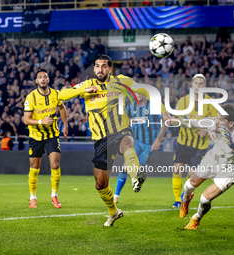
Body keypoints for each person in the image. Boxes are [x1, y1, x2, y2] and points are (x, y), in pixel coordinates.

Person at [58, 54, 169, 227]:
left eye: (104, 66)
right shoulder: (87, 85)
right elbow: (61, 95)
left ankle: (136, 174)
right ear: (94, 68)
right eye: (97, 66)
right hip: (100, 139)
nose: (100, 69)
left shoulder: (121, 81)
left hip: (120, 130)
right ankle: (114, 212)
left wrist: (163, 112)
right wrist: (81, 91)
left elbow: (147, 91)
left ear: (110, 68)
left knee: (126, 144)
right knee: (100, 184)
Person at [178, 104, 234, 230]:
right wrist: (185, 121)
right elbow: (193, 123)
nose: (217, 121)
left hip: (232, 168)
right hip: (214, 158)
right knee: (189, 185)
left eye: (221, 120)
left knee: (205, 199)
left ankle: (196, 218)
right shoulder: (213, 122)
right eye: (217, 117)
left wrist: (232, 144)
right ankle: (185, 199)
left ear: (231, 123)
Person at [23, 68, 68, 209]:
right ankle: (33, 197)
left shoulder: (55, 94)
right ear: (36, 81)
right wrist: (41, 121)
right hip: (35, 136)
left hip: (52, 135)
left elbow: (62, 108)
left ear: (48, 79)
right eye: (40, 77)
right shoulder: (31, 97)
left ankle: (54, 195)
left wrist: (65, 125)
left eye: (45, 77)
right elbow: (26, 120)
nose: (43, 79)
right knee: (34, 168)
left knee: (55, 164)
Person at [171, 74, 217, 208]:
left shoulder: (210, 103)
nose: (198, 86)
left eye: (201, 83)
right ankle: (177, 200)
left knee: (191, 174)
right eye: (196, 83)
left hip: (200, 145)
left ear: (204, 86)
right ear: (192, 85)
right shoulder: (183, 101)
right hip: (183, 142)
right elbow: (174, 119)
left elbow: (215, 122)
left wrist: (207, 130)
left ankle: (182, 197)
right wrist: (186, 123)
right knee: (177, 169)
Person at [114, 93, 167, 203]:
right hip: (135, 141)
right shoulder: (131, 106)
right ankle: (116, 195)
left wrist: (158, 139)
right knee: (125, 166)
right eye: (136, 92)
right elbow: (123, 119)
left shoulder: (153, 106)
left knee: (139, 169)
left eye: (140, 92)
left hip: (149, 144)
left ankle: (137, 181)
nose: (138, 95)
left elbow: (165, 121)